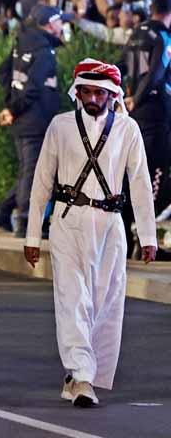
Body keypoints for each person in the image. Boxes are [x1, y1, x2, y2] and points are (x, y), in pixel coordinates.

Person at [25, 59, 157, 408]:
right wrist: (32, 237)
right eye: (87, 91)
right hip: (69, 221)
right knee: (73, 299)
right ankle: (82, 376)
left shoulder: (128, 131)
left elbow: (141, 183)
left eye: (100, 92)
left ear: (112, 95)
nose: (93, 98)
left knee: (104, 303)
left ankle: (79, 374)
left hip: (111, 227)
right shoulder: (60, 126)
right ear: (77, 92)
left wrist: (147, 236)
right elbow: (42, 183)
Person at [0, 4, 71, 236]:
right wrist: (13, 108)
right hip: (35, 120)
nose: (62, 25)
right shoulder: (44, 51)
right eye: (59, 21)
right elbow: (34, 87)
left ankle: (3, 211)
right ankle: (26, 222)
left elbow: (3, 72)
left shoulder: (22, 43)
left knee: (30, 169)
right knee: (33, 171)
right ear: (48, 24)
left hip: (23, 118)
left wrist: (10, 105)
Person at [121, 0, 171, 248]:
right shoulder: (163, 36)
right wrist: (137, 98)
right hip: (156, 113)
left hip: (136, 114)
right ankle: (145, 240)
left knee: (135, 175)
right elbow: (156, 73)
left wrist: (124, 99)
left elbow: (117, 68)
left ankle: (130, 238)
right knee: (156, 177)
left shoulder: (135, 34)